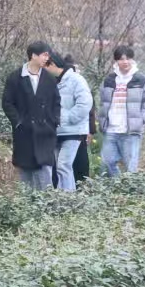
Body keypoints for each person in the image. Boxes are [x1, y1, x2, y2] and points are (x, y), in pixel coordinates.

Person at [2, 41, 62, 190]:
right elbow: (7, 103)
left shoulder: (49, 78)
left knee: (45, 176)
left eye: (48, 55)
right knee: (26, 177)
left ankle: (46, 203)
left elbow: (56, 102)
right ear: (33, 56)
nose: (46, 58)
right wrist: (18, 122)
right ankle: (27, 204)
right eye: (44, 55)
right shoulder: (15, 77)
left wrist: (54, 121)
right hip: (24, 134)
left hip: (45, 134)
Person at [99, 45, 145, 177]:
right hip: (111, 129)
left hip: (130, 131)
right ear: (116, 61)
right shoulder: (109, 80)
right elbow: (103, 101)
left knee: (130, 167)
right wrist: (102, 119)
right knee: (106, 163)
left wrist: (141, 119)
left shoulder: (141, 80)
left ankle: (129, 189)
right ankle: (117, 186)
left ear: (132, 60)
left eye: (128, 58)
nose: (125, 62)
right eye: (121, 59)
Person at [52, 53, 92, 192]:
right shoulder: (51, 82)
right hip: (56, 131)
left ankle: (69, 198)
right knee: (58, 167)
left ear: (52, 64)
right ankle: (62, 196)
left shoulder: (76, 79)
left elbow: (85, 103)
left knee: (64, 166)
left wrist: (68, 118)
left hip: (73, 130)